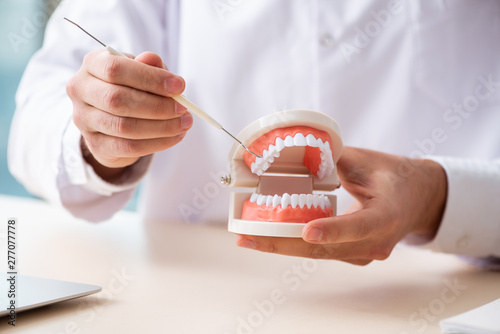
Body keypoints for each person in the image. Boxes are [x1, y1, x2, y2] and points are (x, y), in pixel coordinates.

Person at [8, 0, 500, 266]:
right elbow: (37, 118)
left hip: (447, 292)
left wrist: (443, 197)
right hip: (197, 295)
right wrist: (102, 134)